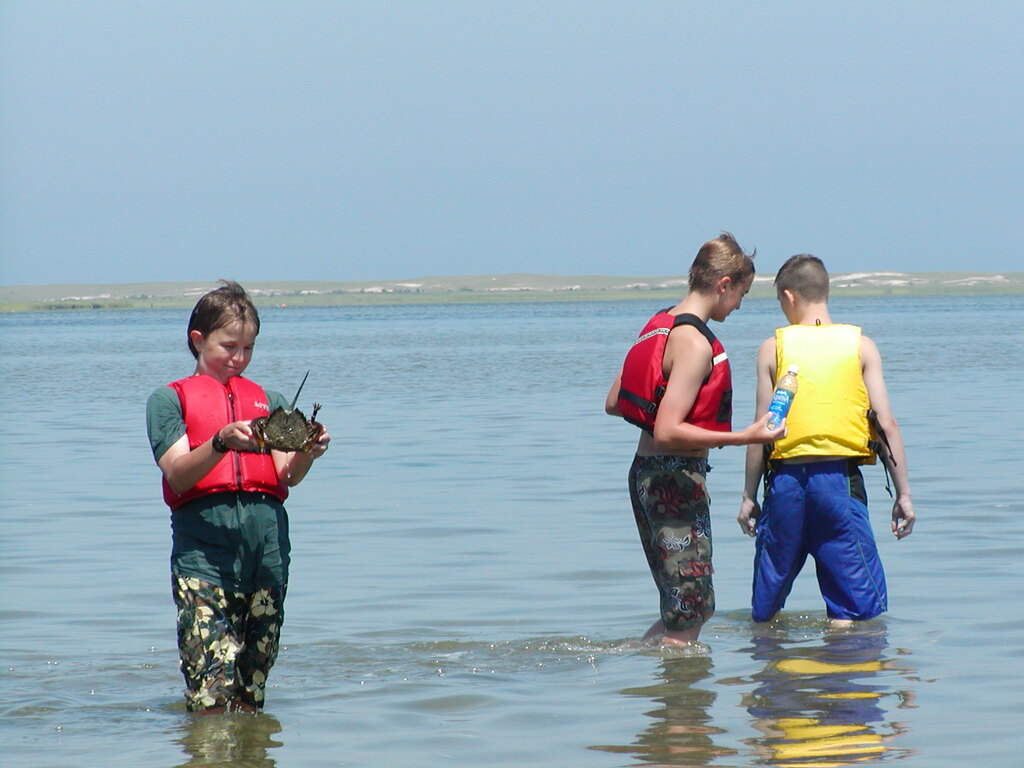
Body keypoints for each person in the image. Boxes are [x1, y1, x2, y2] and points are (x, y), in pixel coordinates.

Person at [146, 281, 330, 713]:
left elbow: (289, 474)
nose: (240, 358)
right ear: (198, 340)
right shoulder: (167, 401)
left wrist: (310, 452)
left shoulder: (271, 402)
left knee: (252, 691)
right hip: (203, 557)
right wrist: (221, 442)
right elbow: (176, 474)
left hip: (267, 555)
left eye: (248, 348)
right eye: (229, 346)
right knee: (210, 689)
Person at [605, 233, 784, 646]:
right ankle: (679, 708)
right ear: (724, 284)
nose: (739, 304)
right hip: (673, 482)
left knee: (687, 608)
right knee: (690, 611)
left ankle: (629, 664)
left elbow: (616, 401)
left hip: (646, 476)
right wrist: (747, 435)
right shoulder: (695, 342)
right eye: (741, 293)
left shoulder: (659, 325)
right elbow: (668, 431)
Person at [738, 254, 915, 627]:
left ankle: (769, 678)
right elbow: (886, 425)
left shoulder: (772, 348)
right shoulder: (861, 346)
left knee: (765, 610)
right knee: (851, 611)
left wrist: (748, 496)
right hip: (840, 485)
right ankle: (846, 678)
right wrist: (904, 496)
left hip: (784, 485)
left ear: (788, 296)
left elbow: (761, 427)